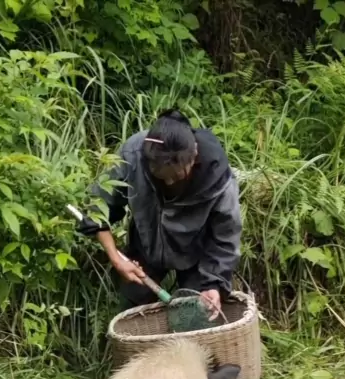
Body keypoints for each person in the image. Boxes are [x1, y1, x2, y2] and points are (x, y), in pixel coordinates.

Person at [80, 109, 241, 317]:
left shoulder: (217, 176)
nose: (170, 183)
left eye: (177, 176)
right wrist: (117, 259)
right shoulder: (133, 156)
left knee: (196, 316)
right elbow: (98, 210)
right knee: (132, 312)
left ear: (194, 156)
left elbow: (226, 237)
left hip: (196, 253)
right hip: (146, 245)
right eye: (162, 178)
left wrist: (214, 284)